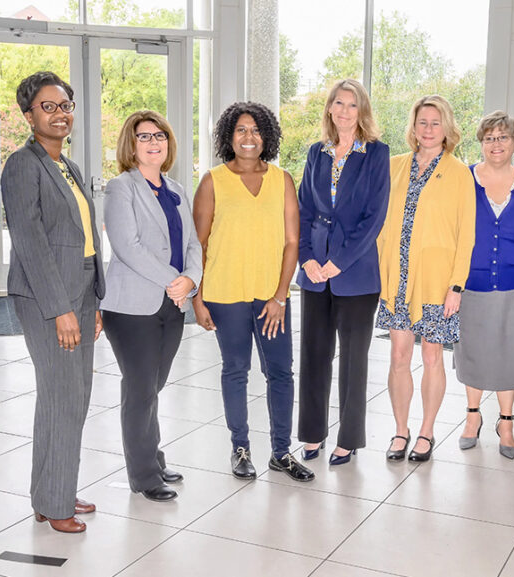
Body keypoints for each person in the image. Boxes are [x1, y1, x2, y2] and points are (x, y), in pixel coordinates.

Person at [0, 71, 106, 534]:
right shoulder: (22, 165)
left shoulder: (69, 165)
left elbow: (81, 236)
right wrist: (61, 308)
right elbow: (30, 241)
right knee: (64, 396)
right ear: (29, 116)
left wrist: (93, 298)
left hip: (80, 288)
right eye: (48, 107)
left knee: (71, 397)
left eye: (65, 105)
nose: (60, 113)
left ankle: (52, 490)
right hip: (49, 296)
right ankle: (55, 502)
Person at [192, 102, 314, 482]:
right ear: (229, 136)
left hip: (271, 297)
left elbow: (293, 242)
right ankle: (240, 448)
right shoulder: (213, 181)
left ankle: (281, 452)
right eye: (241, 130)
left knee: (280, 372)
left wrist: (279, 296)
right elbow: (199, 244)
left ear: (268, 137)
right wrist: (196, 299)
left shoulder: (283, 180)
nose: (249, 137)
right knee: (236, 370)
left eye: (256, 130)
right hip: (225, 293)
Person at [100, 111, 202, 502]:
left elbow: (193, 243)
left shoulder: (176, 188)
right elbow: (128, 247)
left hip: (171, 303)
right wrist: (174, 281)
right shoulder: (121, 187)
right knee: (140, 388)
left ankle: (153, 459)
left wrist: (190, 280)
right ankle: (143, 476)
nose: (153, 142)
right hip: (132, 307)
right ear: (131, 145)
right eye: (144, 137)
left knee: (153, 387)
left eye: (159, 135)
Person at [377, 95, 476, 463]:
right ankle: (400, 430)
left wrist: (457, 285)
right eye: (422, 122)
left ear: (447, 128)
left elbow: (467, 233)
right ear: (413, 127)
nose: (429, 129)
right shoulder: (393, 166)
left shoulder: (460, 173)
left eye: (436, 123)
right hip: (397, 280)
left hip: (437, 282)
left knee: (432, 356)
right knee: (399, 355)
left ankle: (426, 431)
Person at [296, 80, 390, 466]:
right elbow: (301, 209)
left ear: (362, 111)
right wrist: (307, 258)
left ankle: (348, 438)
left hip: (355, 273)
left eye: (353, 105)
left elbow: (374, 217)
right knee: (314, 355)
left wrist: (340, 261)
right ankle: (312, 434)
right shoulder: (316, 153)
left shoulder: (377, 154)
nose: (345, 111)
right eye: (339, 103)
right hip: (315, 272)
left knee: (354, 360)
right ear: (330, 109)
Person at [454, 111, 514, 460]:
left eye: (504, 137)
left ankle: (506, 423)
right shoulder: (463, 181)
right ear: (481, 143)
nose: (497, 144)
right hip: (472, 282)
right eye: (490, 138)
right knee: (474, 349)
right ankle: (472, 417)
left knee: (510, 351)